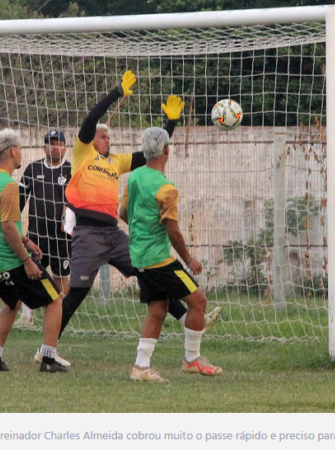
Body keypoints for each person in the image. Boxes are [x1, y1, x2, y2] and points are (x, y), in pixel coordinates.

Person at [60, 70, 220, 345]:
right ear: (90, 141)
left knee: (152, 274)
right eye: (101, 136)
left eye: (108, 137)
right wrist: (116, 93)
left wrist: (170, 125)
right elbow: (89, 120)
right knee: (77, 293)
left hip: (113, 234)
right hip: (88, 234)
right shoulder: (82, 154)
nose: (106, 140)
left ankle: (190, 321)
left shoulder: (116, 162)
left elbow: (152, 154)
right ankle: (48, 347)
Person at [121, 127, 222, 383]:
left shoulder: (134, 177)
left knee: (158, 309)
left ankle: (141, 367)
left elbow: (123, 212)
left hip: (139, 257)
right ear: (167, 150)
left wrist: (140, 228)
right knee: (198, 301)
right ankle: (192, 360)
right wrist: (188, 260)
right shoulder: (166, 189)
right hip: (159, 260)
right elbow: (173, 229)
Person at [0, 128, 67, 373]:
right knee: (55, 298)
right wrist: (27, 260)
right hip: (11, 263)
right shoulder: (9, 186)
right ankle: (48, 360)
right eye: (20, 149)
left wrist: (26, 240)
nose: (21, 153)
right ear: (13, 151)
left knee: (12, 303)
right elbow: (6, 227)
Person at [17, 131, 71, 321]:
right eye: (51, 143)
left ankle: (59, 316)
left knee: (61, 275)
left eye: (59, 143)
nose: (55, 147)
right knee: (32, 274)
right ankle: (26, 316)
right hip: (37, 236)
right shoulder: (33, 168)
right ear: (44, 147)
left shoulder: (71, 170)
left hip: (62, 236)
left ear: (65, 148)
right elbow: (19, 202)